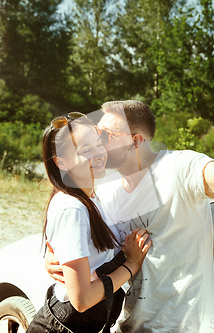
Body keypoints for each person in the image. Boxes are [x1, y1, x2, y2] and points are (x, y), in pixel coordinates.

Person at [46, 92, 214, 332]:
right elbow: (78, 239)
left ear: (135, 141)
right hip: (128, 325)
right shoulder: (105, 188)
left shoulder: (180, 168)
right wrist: (52, 258)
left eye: (105, 135)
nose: (96, 140)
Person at [27, 112, 152, 333]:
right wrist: (131, 265)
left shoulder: (92, 198)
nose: (98, 154)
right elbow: (82, 299)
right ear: (61, 162)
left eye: (97, 144)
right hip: (64, 326)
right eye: (85, 150)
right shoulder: (71, 207)